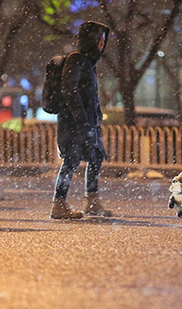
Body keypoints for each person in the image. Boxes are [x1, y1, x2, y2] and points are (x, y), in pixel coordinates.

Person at [50, 21, 112, 219]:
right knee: (71, 161)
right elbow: (70, 89)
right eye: (99, 39)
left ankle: (92, 201)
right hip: (74, 123)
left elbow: (89, 95)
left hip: (87, 122)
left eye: (103, 40)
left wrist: (96, 116)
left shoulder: (87, 62)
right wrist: (81, 119)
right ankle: (58, 204)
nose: (102, 44)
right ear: (91, 40)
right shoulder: (77, 59)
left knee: (95, 156)